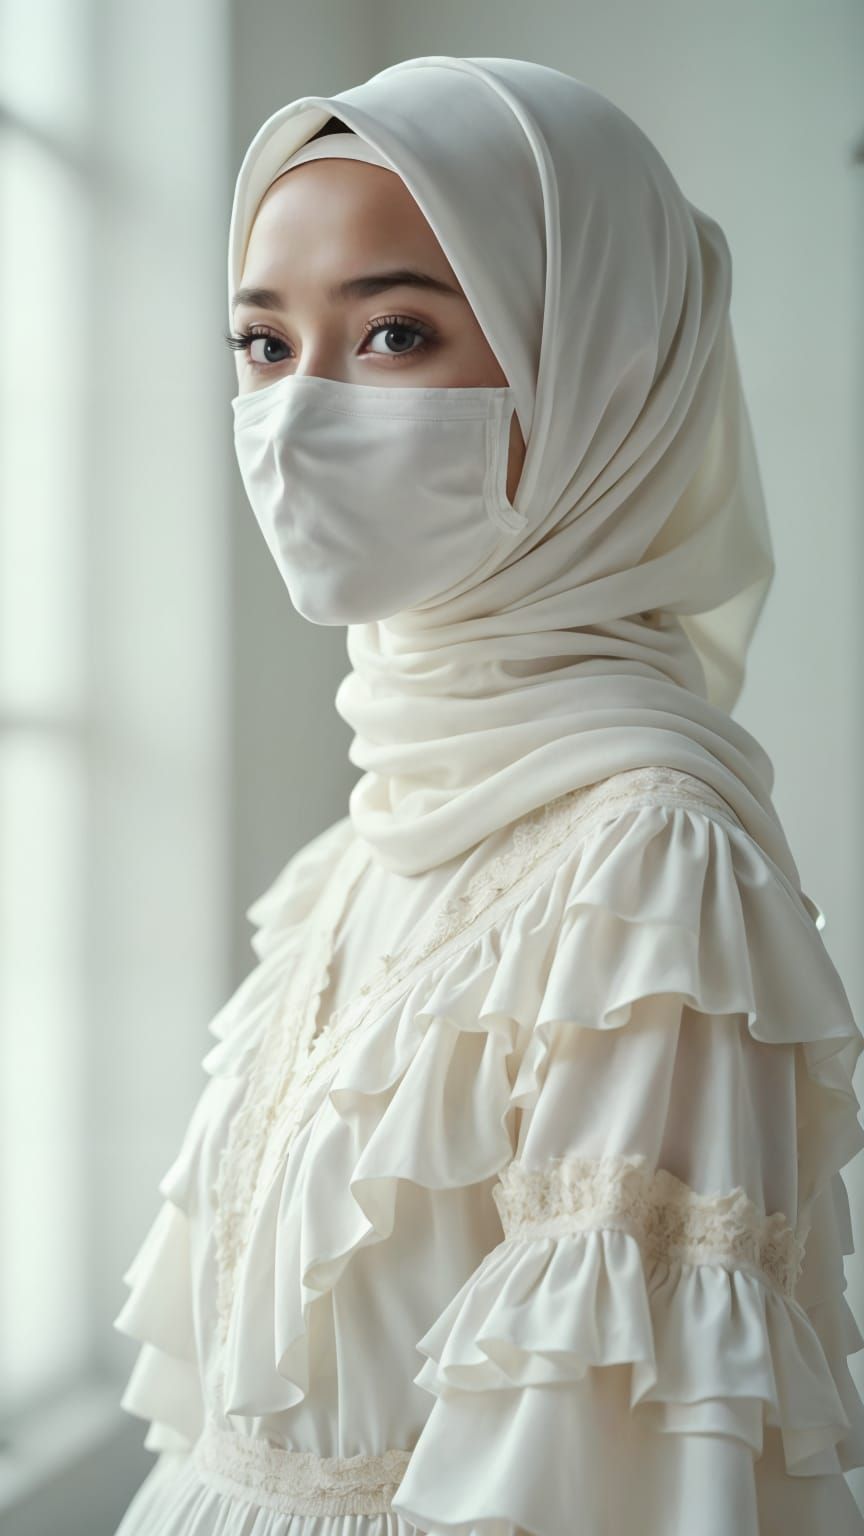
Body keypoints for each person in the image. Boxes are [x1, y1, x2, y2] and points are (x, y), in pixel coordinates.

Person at [111, 55, 864, 1535]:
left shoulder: (649, 862)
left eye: (394, 332)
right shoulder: (366, 843)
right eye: (262, 344)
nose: (295, 415)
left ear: (596, 365)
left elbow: (625, 1481)